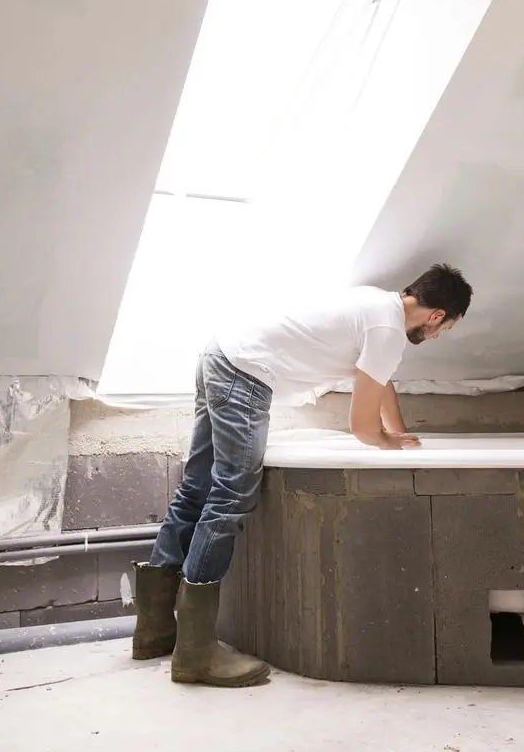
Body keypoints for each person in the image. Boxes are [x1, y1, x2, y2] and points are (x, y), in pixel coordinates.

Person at [130, 263, 473, 687]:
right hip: (246, 375)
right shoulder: (387, 331)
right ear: (436, 314)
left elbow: (380, 382)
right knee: (230, 497)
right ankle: (196, 653)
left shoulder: (372, 303)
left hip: (220, 354)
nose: (437, 336)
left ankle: (154, 631)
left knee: (196, 489)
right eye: (445, 328)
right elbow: (362, 428)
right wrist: (384, 442)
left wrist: (398, 433)